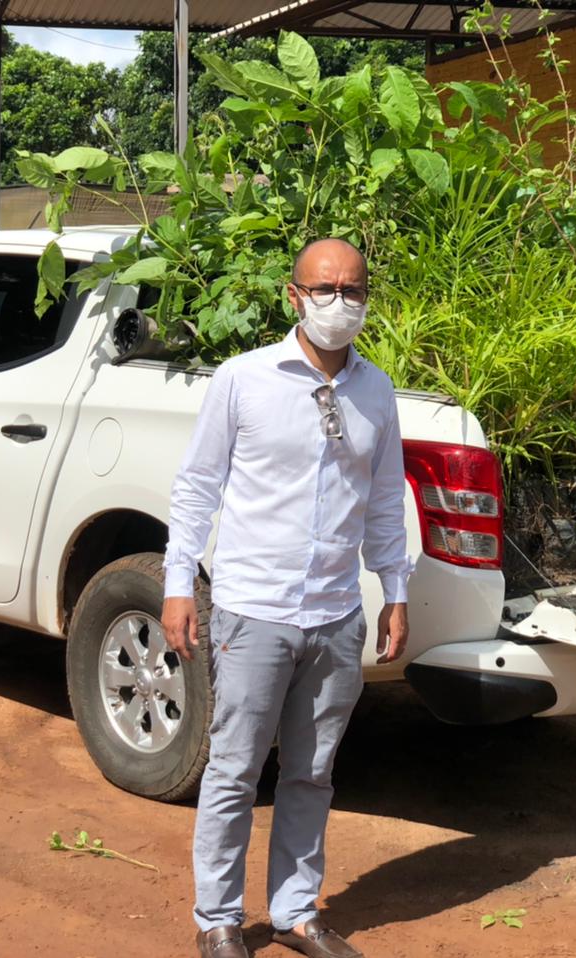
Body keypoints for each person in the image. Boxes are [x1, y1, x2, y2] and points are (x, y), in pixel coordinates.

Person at [162, 237, 411, 958]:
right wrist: (180, 583)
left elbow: (385, 505)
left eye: (354, 290)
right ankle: (217, 918)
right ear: (292, 296)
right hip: (254, 611)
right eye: (325, 289)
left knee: (311, 772)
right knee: (236, 768)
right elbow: (197, 487)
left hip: (335, 615)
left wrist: (395, 592)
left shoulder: (376, 391)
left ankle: (296, 913)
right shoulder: (243, 380)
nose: (341, 303)